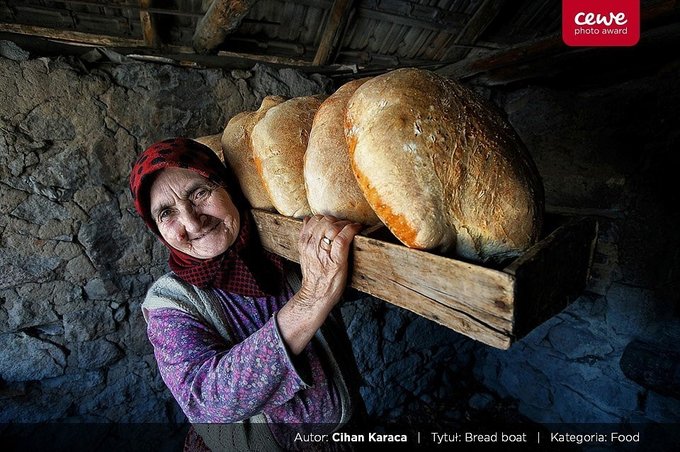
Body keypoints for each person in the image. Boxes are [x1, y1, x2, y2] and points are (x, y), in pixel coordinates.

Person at [129, 137, 366, 451]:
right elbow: (208, 401)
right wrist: (311, 300)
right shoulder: (170, 302)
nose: (190, 221)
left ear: (228, 187)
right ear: (157, 230)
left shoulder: (287, 251)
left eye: (199, 193)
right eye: (166, 214)